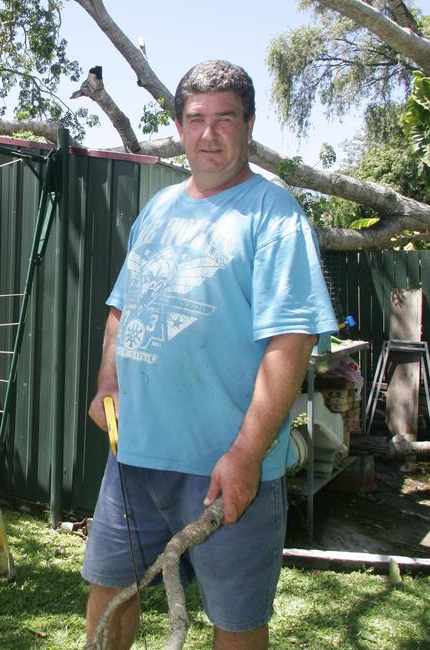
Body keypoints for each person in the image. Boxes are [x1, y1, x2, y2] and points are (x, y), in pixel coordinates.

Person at [82, 60, 337, 650]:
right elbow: (123, 308)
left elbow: (290, 342)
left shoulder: (275, 218)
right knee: (107, 586)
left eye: (225, 118)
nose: (209, 134)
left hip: (224, 467)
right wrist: (107, 382)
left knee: (237, 620)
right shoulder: (160, 208)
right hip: (134, 456)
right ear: (178, 126)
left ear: (249, 125)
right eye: (196, 119)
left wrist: (247, 453)